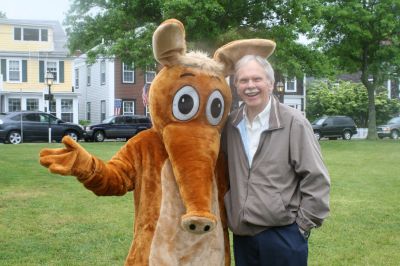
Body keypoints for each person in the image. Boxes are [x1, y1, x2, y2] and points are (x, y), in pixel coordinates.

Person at [222, 54, 330, 266]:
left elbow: (316, 178)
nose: (250, 86)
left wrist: (302, 227)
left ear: (270, 84)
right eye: (243, 80)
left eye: (257, 79)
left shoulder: (293, 122)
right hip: (243, 236)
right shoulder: (230, 125)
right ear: (236, 86)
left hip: (283, 235)